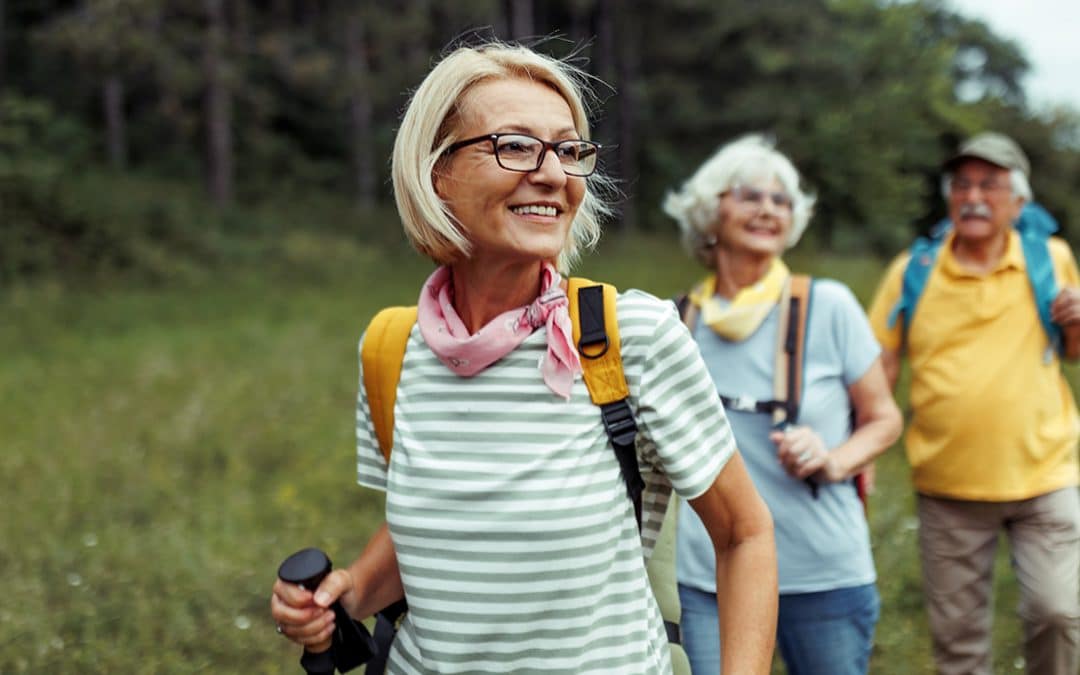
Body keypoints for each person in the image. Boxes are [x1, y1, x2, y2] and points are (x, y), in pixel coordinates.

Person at [269, 42, 778, 674]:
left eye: (568, 150)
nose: (553, 174)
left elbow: (743, 535)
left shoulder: (635, 337)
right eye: (515, 145)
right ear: (435, 171)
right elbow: (438, 535)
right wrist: (345, 592)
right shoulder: (392, 350)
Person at [663, 134, 903, 675]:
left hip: (821, 574)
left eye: (781, 200)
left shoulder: (830, 305)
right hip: (707, 576)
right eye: (750, 195)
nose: (768, 209)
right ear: (709, 211)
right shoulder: (673, 321)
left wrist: (834, 458)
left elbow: (885, 418)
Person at [867, 131, 1080, 675]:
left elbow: (1072, 350)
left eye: (991, 184)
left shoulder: (1050, 258)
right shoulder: (912, 272)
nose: (974, 196)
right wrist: (861, 453)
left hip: (1046, 474)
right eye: (962, 184)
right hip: (948, 486)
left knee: (1059, 613)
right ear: (948, 196)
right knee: (959, 645)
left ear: (1019, 201)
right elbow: (879, 368)